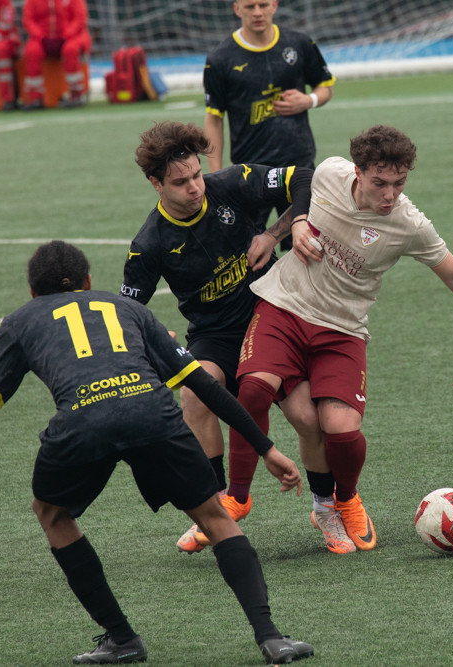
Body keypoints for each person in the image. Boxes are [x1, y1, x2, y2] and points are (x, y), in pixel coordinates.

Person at [0, 240, 314, 665]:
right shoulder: (127, 308)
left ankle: (122, 639)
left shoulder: (20, 320)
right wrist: (266, 448)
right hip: (152, 413)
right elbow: (203, 385)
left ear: (32, 292)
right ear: (88, 282)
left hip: (82, 424)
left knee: (51, 513)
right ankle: (271, 637)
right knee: (214, 517)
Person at [227, 125, 453, 554]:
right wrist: (278, 233)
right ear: (358, 172)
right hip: (284, 306)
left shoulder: (409, 225)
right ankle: (236, 497)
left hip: (342, 329)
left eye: (399, 183)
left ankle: (342, 500)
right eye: (380, 183)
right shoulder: (329, 173)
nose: (390, 194)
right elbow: (303, 199)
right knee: (255, 391)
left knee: (341, 431)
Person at [121, 121, 332, 553]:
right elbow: (127, 313)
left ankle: (326, 506)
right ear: (155, 184)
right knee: (194, 392)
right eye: (180, 183)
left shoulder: (232, 183)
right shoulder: (149, 244)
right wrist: (152, 335)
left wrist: (276, 232)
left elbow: (303, 177)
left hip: (269, 319)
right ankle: (218, 507)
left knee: (307, 419)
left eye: (197, 175)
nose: (195, 188)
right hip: (214, 335)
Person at [204, 0, 336, 250]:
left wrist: (308, 100)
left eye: (263, 5)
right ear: (237, 9)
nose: (257, 12)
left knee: (309, 248)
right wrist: (215, 178)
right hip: (250, 173)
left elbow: (325, 87)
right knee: (246, 253)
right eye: (250, 6)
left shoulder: (299, 43)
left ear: (274, 5)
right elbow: (214, 118)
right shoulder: (220, 58)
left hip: (299, 169)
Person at [21, 0, 92, 109]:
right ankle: (35, 98)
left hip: (70, 36)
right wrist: (40, 35)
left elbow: (80, 18)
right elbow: (28, 19)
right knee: (32, 51)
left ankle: (76, 94)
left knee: (71, 50)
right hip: (42, 37)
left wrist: (67, 34)